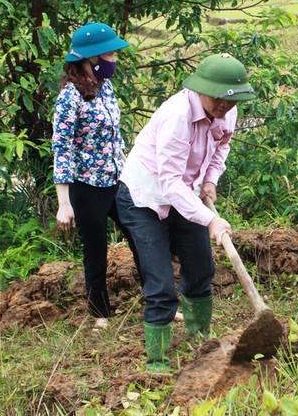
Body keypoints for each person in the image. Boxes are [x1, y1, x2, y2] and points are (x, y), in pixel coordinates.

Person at [116, 53, 256, 372]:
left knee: (201, 267)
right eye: (219, 98)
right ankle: (157, 362)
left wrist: (209, 180)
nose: (224, 106)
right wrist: (211, 219)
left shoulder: (227, 113)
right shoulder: (177, 116)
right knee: (161, 283)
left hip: (187, 192)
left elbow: (222, 147)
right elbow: (168, 182)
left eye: (231, 101)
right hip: (145, 197)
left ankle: (199, 338)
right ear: (202, 87)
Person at [52, 22, 143, 329]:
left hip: (116, 180)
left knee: (141, 237)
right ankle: (100, 314)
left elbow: (115, 136)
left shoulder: (105, 88)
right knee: (96, 250)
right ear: (91, 59)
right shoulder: (69, 98)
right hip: (86, 186)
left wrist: (129, 167)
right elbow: (61, 148)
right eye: (110, 55)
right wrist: (64, 203)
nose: (114, 61)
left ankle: (159, 302)